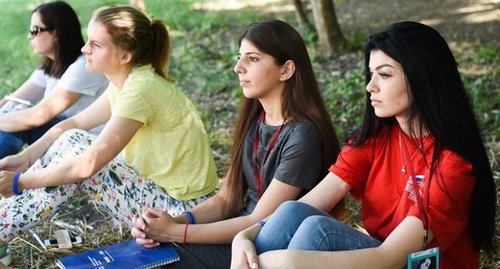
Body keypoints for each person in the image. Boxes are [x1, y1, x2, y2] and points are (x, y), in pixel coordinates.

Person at [231, 21, 496, 269]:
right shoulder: (378, 137)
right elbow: (309, 203)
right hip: (381, 252)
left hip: (406, 261)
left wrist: (291, 261)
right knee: (294, 209)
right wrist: (245, 235)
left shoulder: (453, 166)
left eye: (384, 75)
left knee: (317, 232)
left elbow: (389, 257)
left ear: (422, 77)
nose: (370, 86)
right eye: (371, 74)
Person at [0, 5, 218, 266]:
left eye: (96, 44)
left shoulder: (140, 90)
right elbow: (75, 122)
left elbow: (87, 166)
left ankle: (1, 230)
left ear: (124, 55)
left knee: (84, 160)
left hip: (181, 211)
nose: (84, 49)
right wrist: (27, 157)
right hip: (165, 197)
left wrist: (19, 183)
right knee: (72, 139)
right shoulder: (129, 82)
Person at [130, 20, 345, 268]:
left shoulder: (303, 135)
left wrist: (175, 233)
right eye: (239, 57)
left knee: (164, 260)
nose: (237, 68)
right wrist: (172, 223)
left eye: (252, 59)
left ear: (286, 70)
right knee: (148, 253)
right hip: (240, 235)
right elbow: (226, 200)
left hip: (268, 245)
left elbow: (260, 218)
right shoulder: (256, 120)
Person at [0, 1, 109, 159]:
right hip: (63, 134)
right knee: (12, 107)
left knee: (20, 119)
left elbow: (37, 116)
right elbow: (14, 99)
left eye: (35, 30)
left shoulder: (83, 68)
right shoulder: (51, 66)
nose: (30, 36)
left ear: (56, 33)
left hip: (86, 145)